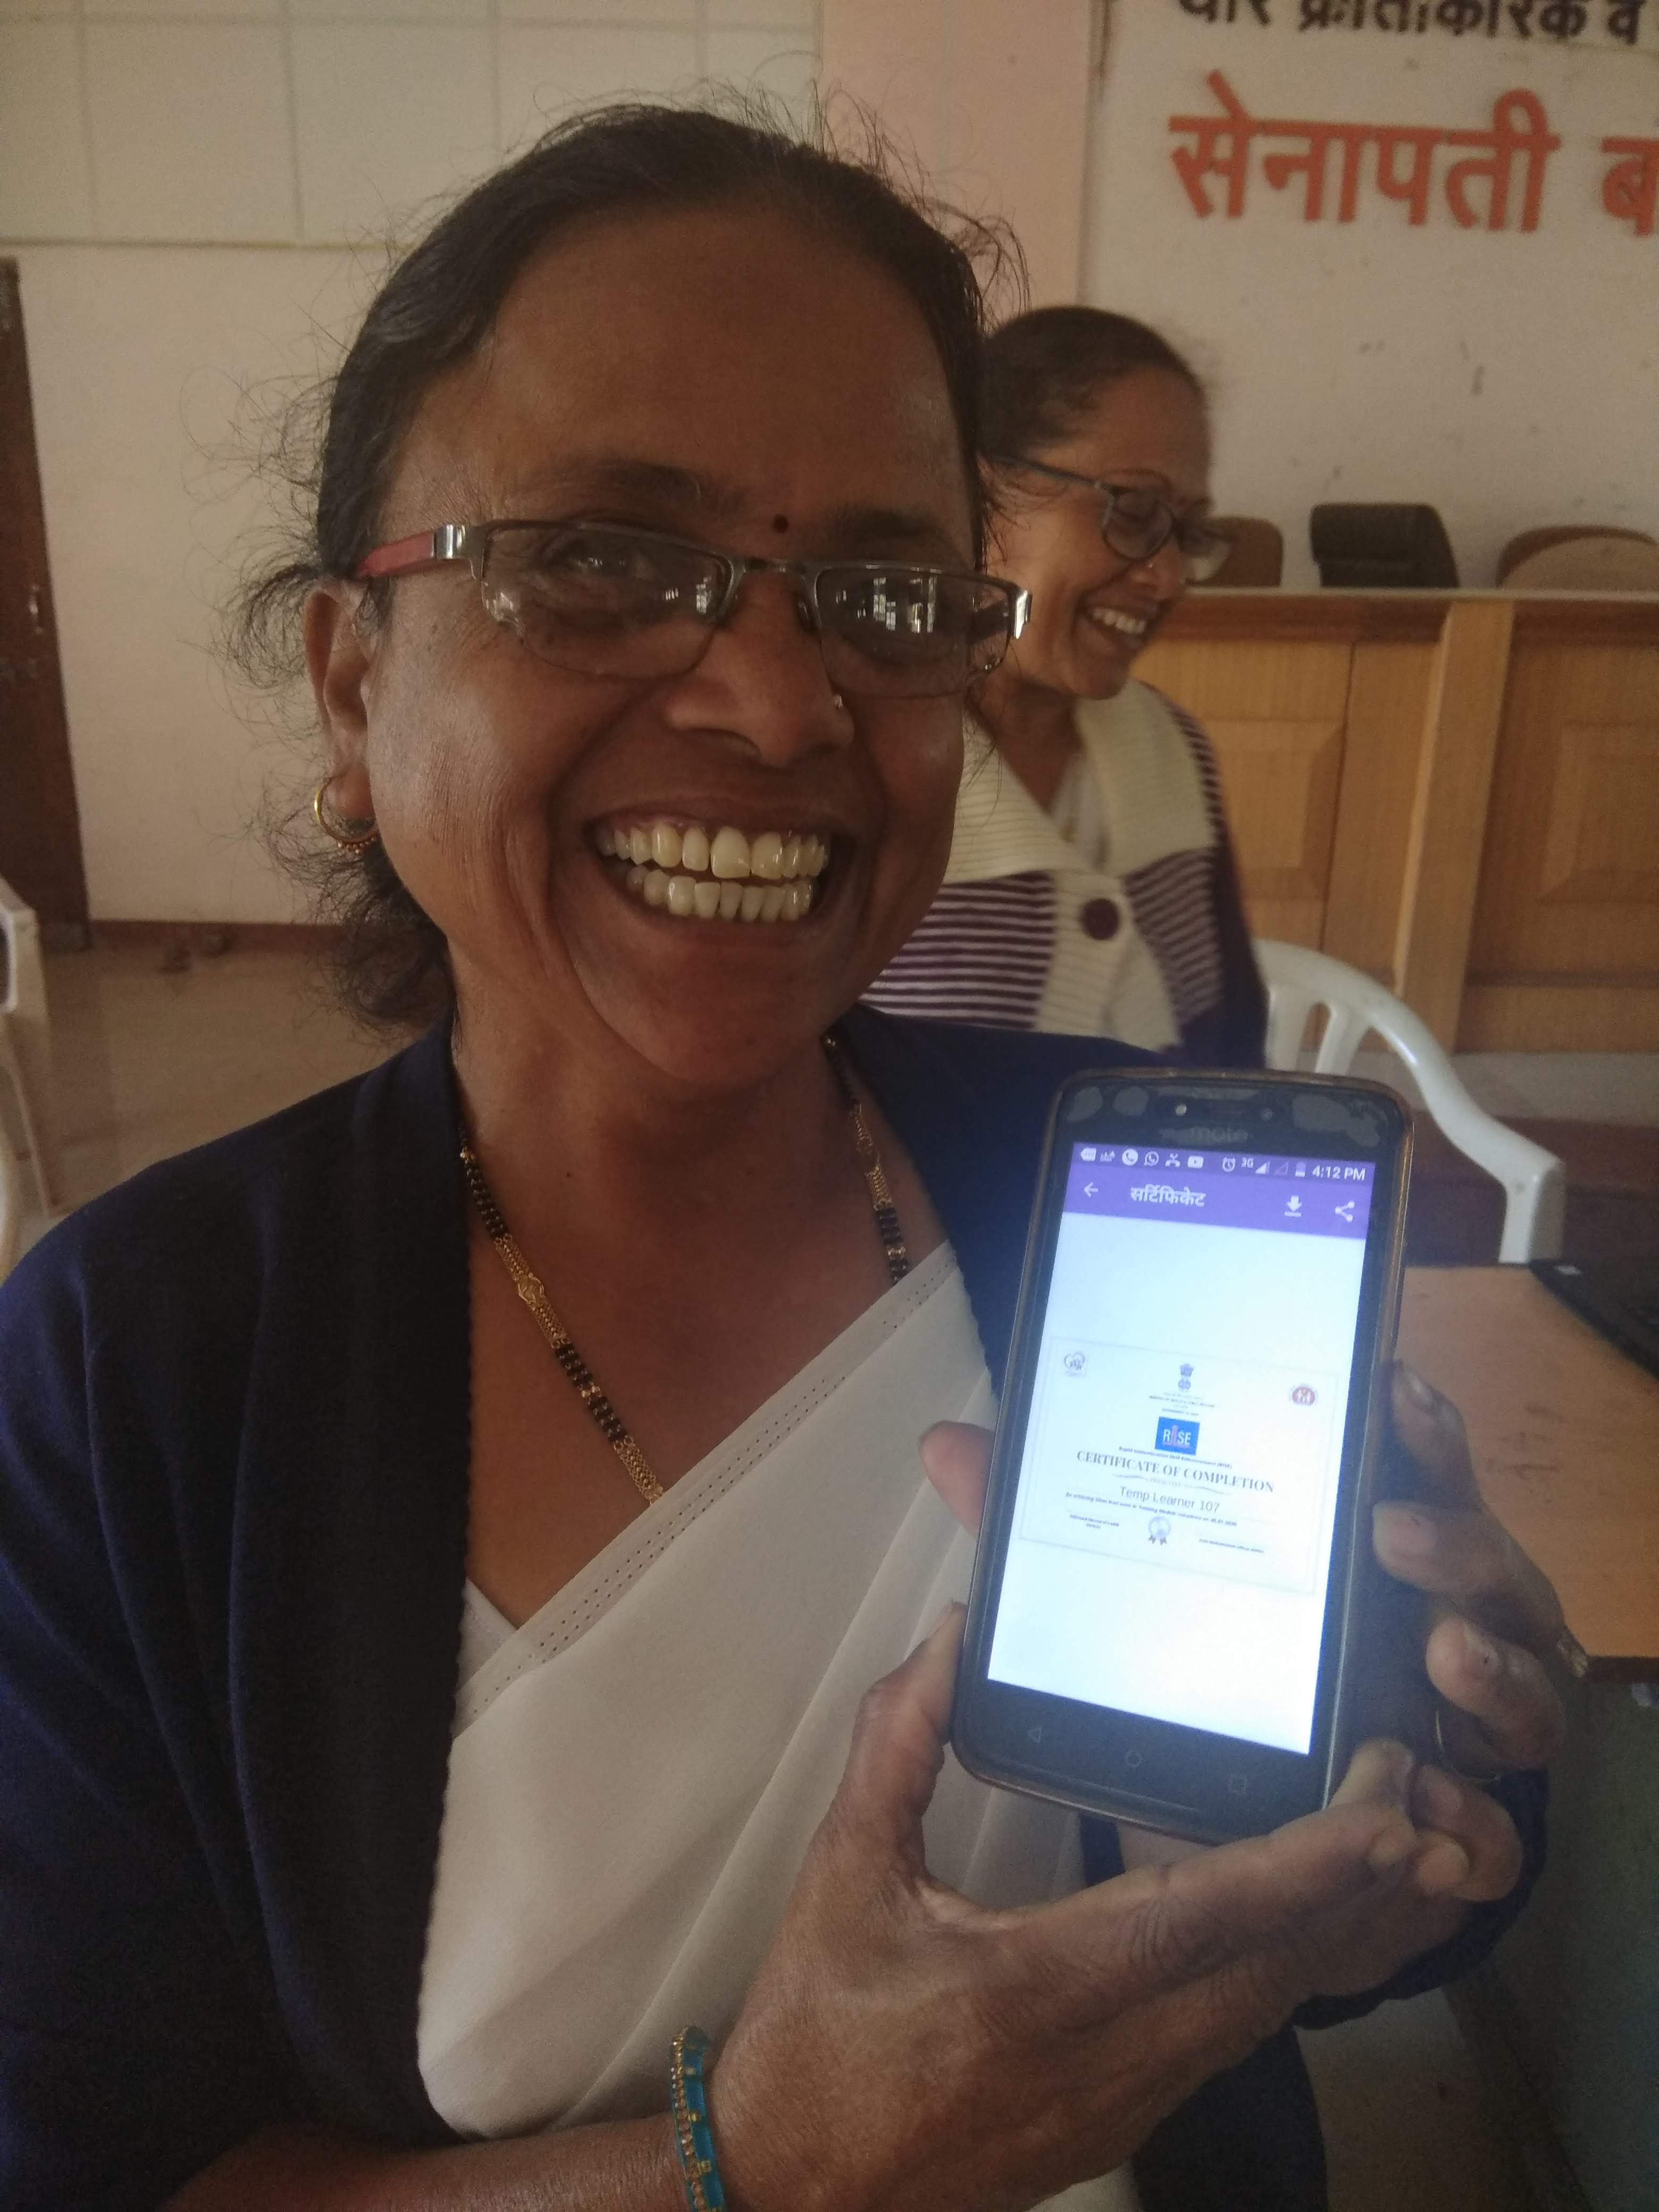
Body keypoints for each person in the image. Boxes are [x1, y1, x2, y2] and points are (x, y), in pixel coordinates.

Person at [0, 105, 1565, 2212]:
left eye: (884, 593)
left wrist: (1417, 1817)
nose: (773, 699)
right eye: (600, 561)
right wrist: (766, 2166)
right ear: (353, 681)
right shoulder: (136, 1371)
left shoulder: (1102, 1192)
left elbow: (1339, 1936)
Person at [867, 307, 1266, 1065]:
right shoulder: (860, 757)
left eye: (1190, 533)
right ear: (977, 493)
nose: (1168, 577)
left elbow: (1234, 1048)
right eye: (1133, 512)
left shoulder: (1172, 751)